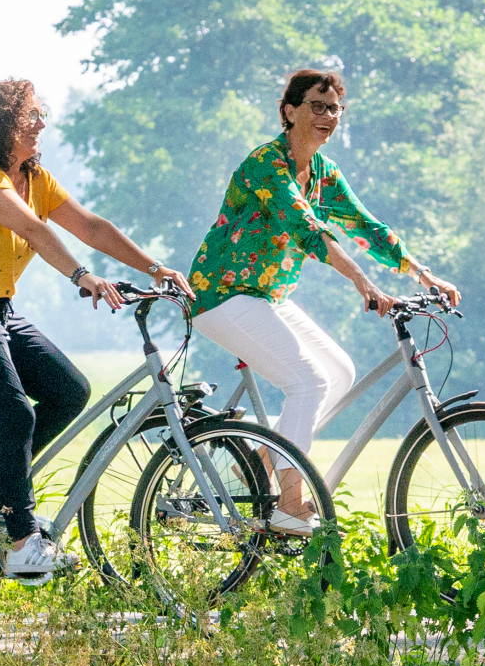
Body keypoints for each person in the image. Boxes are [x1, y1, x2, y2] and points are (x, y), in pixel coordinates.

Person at [0, 79, 194, 586]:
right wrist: (83, 277)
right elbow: (35, 232)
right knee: (14, 411)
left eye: (42, 115)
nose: (42, 124)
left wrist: (156, 269)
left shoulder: (36, 180)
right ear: (5, 125)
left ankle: (3, 486)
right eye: (32, 115)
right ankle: (21, 540)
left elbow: (94, 227)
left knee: (69, 391)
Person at [187, 68, 459, 533]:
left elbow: (364, 225)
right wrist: (363, 283)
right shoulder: (265, 164)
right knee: (308, 381)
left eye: (335, 109)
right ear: (289, 112)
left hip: (268, 295)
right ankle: (289, 504)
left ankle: (253, 465)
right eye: (317, 106)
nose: (328, 116)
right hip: (221, 295)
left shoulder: (323, 173)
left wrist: (422, 273)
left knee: (339, 372)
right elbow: (306, 230)